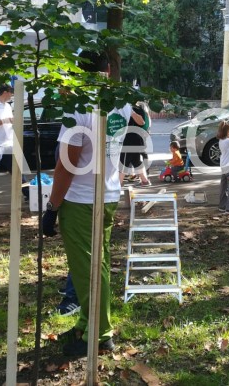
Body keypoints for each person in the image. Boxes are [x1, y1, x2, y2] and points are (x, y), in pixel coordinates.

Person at [44, 50, 131, 357]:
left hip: (80, 200)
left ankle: (100, 333)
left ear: (75, 72)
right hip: (107, 194)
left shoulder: (78, 107)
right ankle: (87, 322)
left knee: (87, 270)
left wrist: (52, 207)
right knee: (100, 263)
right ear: (108, 70)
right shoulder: (121, 100)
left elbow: (67, 164)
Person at [119, 102, 150, 187]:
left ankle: (118, 184)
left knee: (123, 162)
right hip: (135, 140)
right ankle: (145, 181)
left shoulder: (135, 109)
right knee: (136, 161)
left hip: (130, 140)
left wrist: (131, 112)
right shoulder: (121, 107)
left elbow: (142, 122)